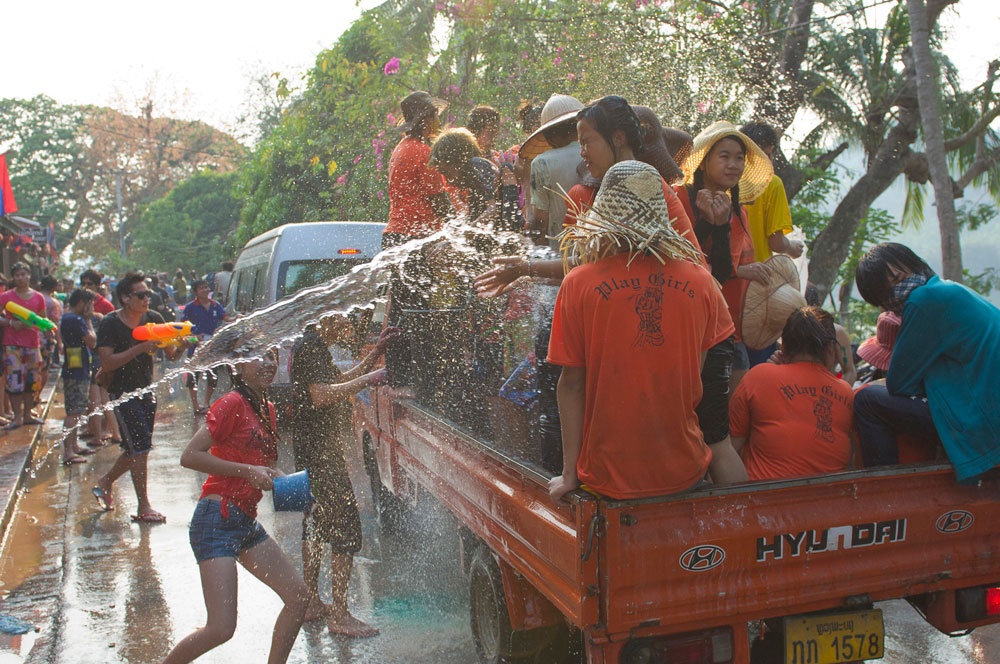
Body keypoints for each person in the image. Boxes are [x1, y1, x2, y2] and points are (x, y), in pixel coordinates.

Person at [547, 161, 747, 504]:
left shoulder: (578, 283)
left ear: (604, 209)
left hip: (607, 478)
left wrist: (569, 475)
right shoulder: (700, 282)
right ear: (661, 210)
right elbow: (693, 377)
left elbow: (572, 384)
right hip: (683, 472)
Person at [161, 349, 308, 664]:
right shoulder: (231, 403)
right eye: (260, 357)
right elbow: (189, 456)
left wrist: (298, 491)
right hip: (216, 521)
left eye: (273, 356)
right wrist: (247, 472)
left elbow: (266, 467)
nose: (268, 363)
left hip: (245, 521)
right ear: (238, 367)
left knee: (298, 598)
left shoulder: (267, 409)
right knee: (221, 628)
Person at [853, 242, 1000, 481]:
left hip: (982, 421)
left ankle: (884, 494)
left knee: (867, 400)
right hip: (985, 406)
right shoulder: (948, 289)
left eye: (899, 277)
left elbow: (899, 383)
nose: (900, 287)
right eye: (889, 287)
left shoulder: (924, 299)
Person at [291, 317, 399, 637]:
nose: (351, 325)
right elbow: (323, 395)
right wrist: (372, 377)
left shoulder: (314, 345)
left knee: (316, 522)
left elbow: (340, 379)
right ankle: (339, 614)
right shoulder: (311, 348)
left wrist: (374, 357)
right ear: (328, 316)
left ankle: (311, 602)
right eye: (347, 318)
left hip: (313, 450)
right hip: (319, 454)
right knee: (345, 527)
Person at [676, 121, 775, 389]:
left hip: (730, 326)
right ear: (704, 161)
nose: (734, 164)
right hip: (689, 325)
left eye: (739, 158)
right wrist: (710, 225)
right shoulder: (678, 199)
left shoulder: (739, 212)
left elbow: (722, 269)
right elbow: (679, 259)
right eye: (725, 156)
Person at [91, 273, 187, 522]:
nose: (147, 299)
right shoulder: (110, 324)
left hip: (146, 390)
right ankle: (143, 506)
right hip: (122, 394)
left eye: (148, 294)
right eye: (141, 295)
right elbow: (107, 362)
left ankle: (104, 482)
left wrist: (182, 346)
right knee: (140, 447)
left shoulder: (153, 319)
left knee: (137, 448)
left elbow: (172, 354)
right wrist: (138, 349)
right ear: (125, 297)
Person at [730, 307, 855, 481]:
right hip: (828, 500)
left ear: (784, 346)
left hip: (765, 497)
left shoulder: (759, 377)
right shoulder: (846, 392)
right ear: (830, 350)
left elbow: (730, 450)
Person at [383, 90, 453, 249]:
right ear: (427, 119)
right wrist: (458, 228)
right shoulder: (423, 152)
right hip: (415, 236)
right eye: (436, 116)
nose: (439, 122)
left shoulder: (401, 147)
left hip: (395, 234)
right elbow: (439, 200)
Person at [521, 94, 585, 248]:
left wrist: (525, 180)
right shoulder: (601, 151)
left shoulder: (542, 163)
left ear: (550, 137)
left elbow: (538, 227)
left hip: (562, 258)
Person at [0, 262, 50, 429]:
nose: (21, 278)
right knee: (14, 382)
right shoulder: (6, 297)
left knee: (32, 381)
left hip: (32, 344)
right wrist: (10, 322)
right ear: (13, 278)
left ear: (29, 276)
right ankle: (17, 417)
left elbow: (43, 320)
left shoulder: (38, 297)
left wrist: (46, 329)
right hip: (12, 346)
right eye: (17, 275)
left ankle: (28, 414)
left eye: (23, 274)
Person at [428, 128, 500, 222]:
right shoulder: (472, 182)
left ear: (459, 162)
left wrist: (468, 231)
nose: (448, 181)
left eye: (447, 173)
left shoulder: (476, 166)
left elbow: (493, 210)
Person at [59, 289, 98, 465]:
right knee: (73, 412)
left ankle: (73, 445)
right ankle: (68, 451)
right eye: (90, 303)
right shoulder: (75, 319)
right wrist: (89, 320)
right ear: (82, 302)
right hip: (76, 370)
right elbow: (93, 341)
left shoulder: (68, 318)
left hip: (75, 366)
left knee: (76, 410)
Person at [181, 279, 229, 415]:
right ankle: (195, 406)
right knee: (194, 377)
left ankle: (206, 403)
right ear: (196, 291)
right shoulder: (190, 308)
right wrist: (194, 338)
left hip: (213, 348)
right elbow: (182, 331)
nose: (205, 290)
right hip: (195, 349)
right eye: (201, 288)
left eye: (206, 287)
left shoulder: (215, 306)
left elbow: (226, 318)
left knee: (213, 376)